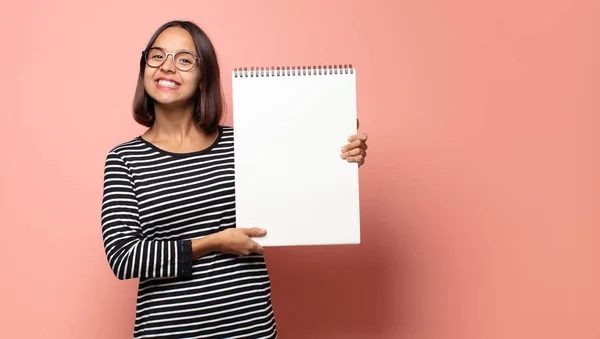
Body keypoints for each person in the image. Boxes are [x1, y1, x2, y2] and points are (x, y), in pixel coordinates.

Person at [100, 20, 369, 339]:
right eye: (157, 56)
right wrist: (213, 242)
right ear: (144, 67)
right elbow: (123, 256)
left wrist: (340, 149)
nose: (168, 67)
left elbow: (299, 183)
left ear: (203, 78)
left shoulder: (243, 143)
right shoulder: (124, 159)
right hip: (167, 331)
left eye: (184, 59)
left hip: (249, 327)